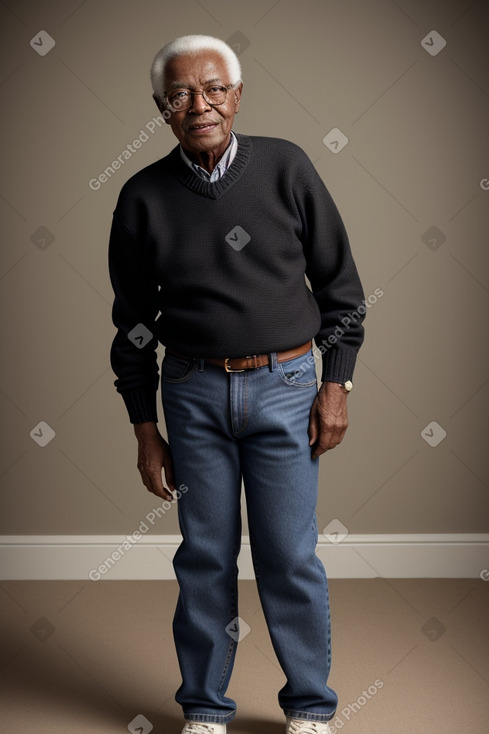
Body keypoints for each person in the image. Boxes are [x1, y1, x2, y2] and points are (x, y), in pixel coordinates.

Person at [108, 34, 365, 734]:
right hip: (191, 395)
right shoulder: (142, 197)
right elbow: (132, 327)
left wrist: (334, 385)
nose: (200, 105)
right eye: (181, 94)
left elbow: (342, 293)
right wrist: (144, 429)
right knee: (205, 556)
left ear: (237, 94)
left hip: (285, 384)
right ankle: (203, 709)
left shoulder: (287, 168)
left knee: (289, 555)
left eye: (214, 88)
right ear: (161, 108)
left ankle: (310, 707)